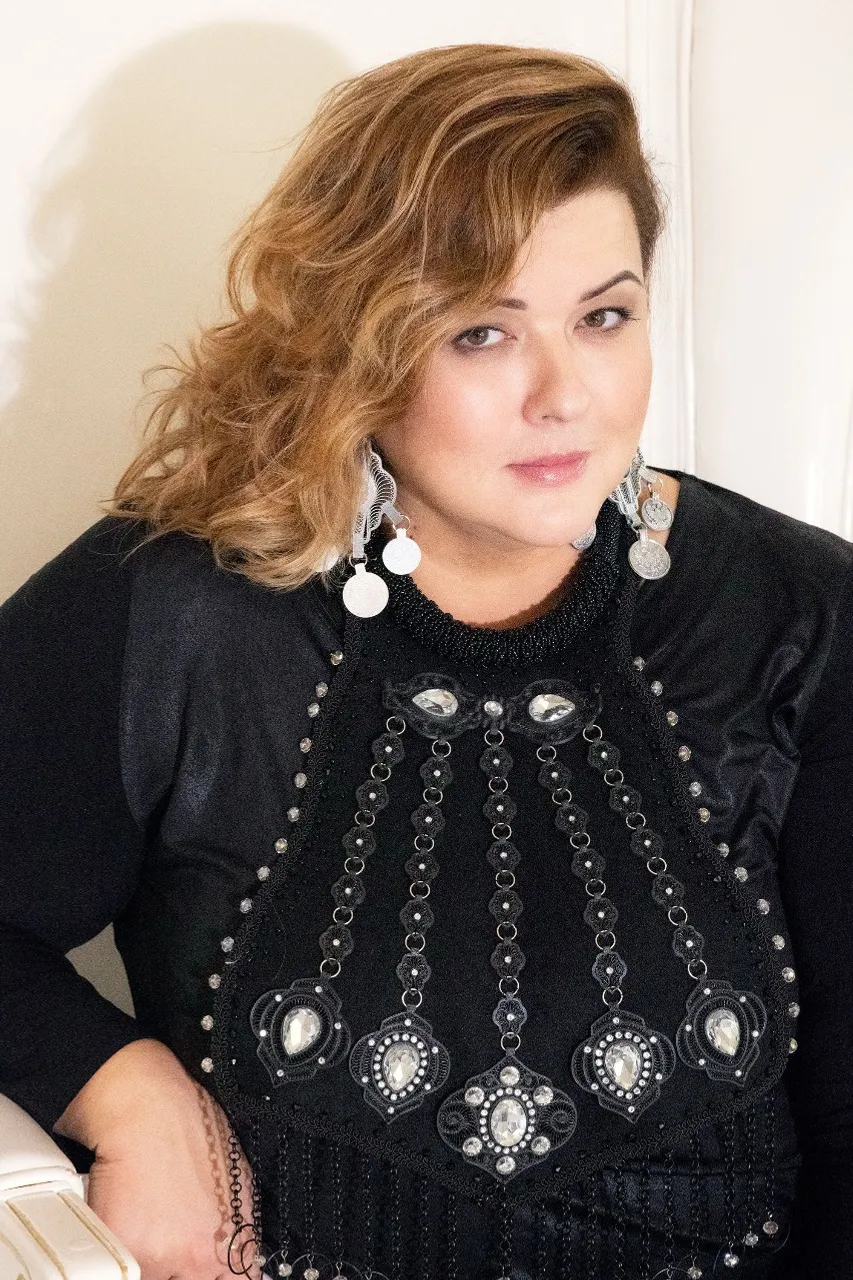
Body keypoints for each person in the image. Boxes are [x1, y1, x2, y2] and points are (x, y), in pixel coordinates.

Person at [1, 41, 851, 1280]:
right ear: (358, 342)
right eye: (481, 332)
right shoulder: (179, 607)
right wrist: (124, 1090)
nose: (565, 394)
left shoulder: (798, 612)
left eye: (604, 316)